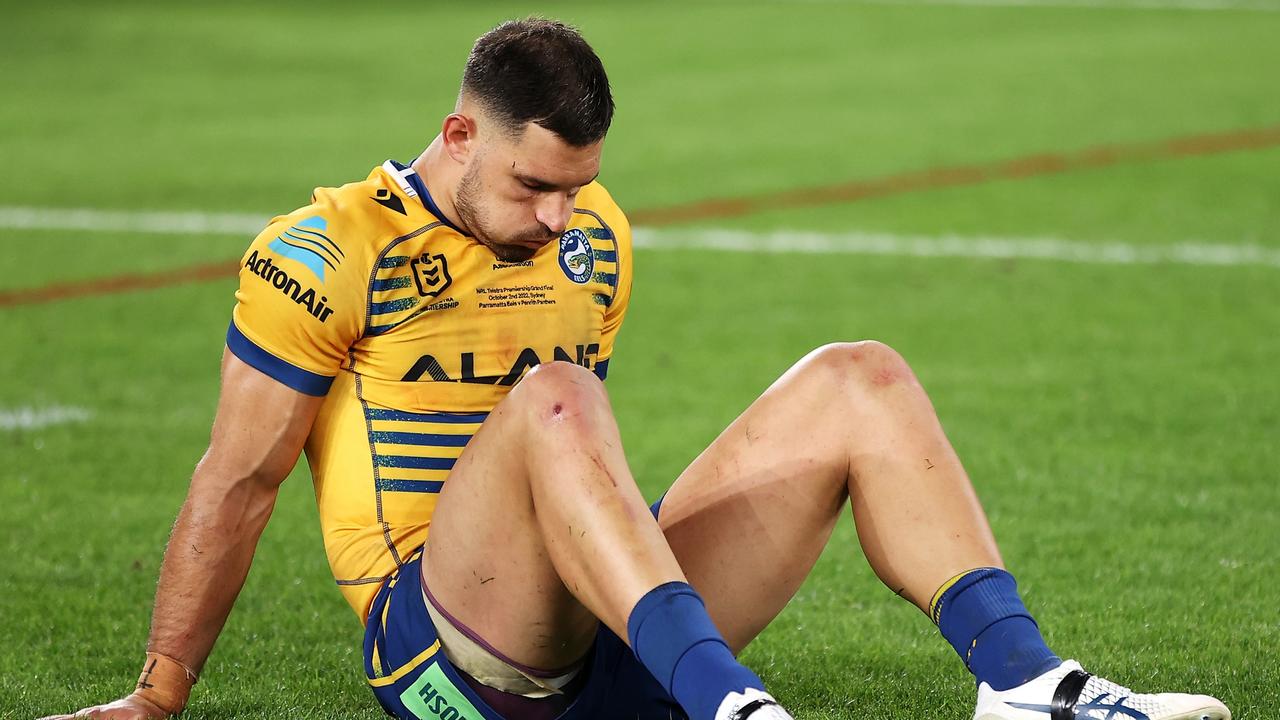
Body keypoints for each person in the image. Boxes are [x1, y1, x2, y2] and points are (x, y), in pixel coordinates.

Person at [44, 17, 1231, 720]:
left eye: (578, 183)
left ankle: (1022, 686)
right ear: (459, 135)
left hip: (608, 635)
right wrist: (158, 694)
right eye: (533, 185)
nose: (564, 214)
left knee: (856, 375)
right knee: (554, 397)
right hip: (450, 657)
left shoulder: (598, 234)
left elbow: (585, 475)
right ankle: (727, 703)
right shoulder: (324, 252)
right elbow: (240, 481)